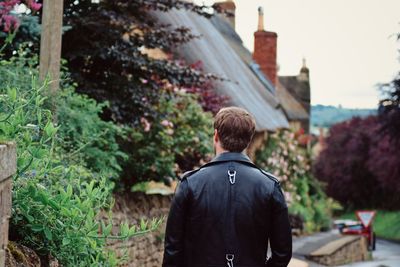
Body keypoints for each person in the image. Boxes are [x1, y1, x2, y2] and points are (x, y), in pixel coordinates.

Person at [162, 107, 292, 267]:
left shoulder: (190, 183)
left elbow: (172, 252)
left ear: (215, 135)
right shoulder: (269, 186)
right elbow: (283, 253)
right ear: (249, 140)